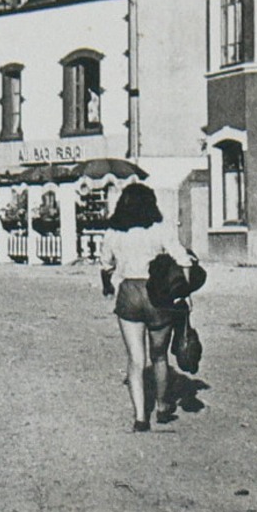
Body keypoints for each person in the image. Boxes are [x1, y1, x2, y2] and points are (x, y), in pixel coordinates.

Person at [99, 182, 200, 432]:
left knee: (135, 359)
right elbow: (183, 259)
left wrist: (110, 283)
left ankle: (140, 418)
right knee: (159, 356)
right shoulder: (160, 229)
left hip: (129, 293)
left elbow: (105, 264)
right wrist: (183, 292)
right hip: (159, 294)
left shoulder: (114, 231)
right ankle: (163, 406)